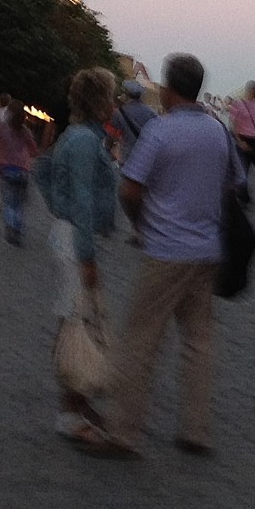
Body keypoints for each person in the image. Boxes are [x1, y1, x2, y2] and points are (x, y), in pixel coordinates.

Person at [81, 53, 242, 459]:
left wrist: (141, 224)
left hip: (166, 250)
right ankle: (196, 430)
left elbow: (130, 190)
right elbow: (235, 183)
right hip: (206, 251)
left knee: (139, 340)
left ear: (168, 90)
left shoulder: (160, 132)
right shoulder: (218, 132)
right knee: (199, 341)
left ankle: (122, 432)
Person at [48, 67, 120, 446]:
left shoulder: (85, 138)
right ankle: (70, 413)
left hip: (73, 237)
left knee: (76, 321)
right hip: (75, 239)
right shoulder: (81, 142)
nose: (115, 104)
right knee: (78, 323)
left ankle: (77, 404)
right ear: (97, 102)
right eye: (110, 96)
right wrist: (88, 258)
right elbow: (81, 202)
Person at [0, 104, 41, 245]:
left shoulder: (0, 129)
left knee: (9, 203)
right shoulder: (25, 131)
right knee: (19, 204)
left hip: (5, 170)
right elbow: (34, 150)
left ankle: (10, 226)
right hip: (22, 171)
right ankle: (17, 228)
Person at [115, 79, 157, 162]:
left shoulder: (120, 112)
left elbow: (113, 134)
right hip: (145, 157)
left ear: (126, 94)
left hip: (127, 156)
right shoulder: (150, 112)